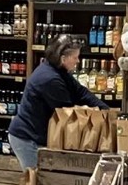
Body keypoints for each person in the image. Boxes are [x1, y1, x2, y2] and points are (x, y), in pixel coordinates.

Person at [7, 34, 106, 170]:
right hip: (27, 138)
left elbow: (81, 92)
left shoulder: (58, 70)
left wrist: (105, 110)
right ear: (63, 58)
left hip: (36, 135)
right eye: (75, 57)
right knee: (37, 180)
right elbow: (66, 111)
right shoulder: (50, 79)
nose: (78, 61)